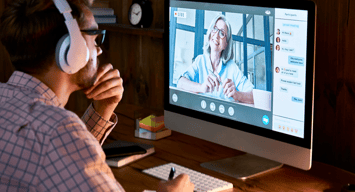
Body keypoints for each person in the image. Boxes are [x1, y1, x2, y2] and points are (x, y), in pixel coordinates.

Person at [0, 0, 194, 191]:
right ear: (71, 50)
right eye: (94, 38)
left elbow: (66, 163)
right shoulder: (57, 130)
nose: (99, 50)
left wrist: (102, 109)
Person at [177, 15, 254, 104]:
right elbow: (180, 83)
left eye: (222, 33)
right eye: (214, 29)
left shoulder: (232, 67)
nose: (216, 35)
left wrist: (237, 95)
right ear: (210, 33)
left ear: (226, 44)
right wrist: (201, 87)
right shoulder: (200, 61)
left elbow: (253, 95)